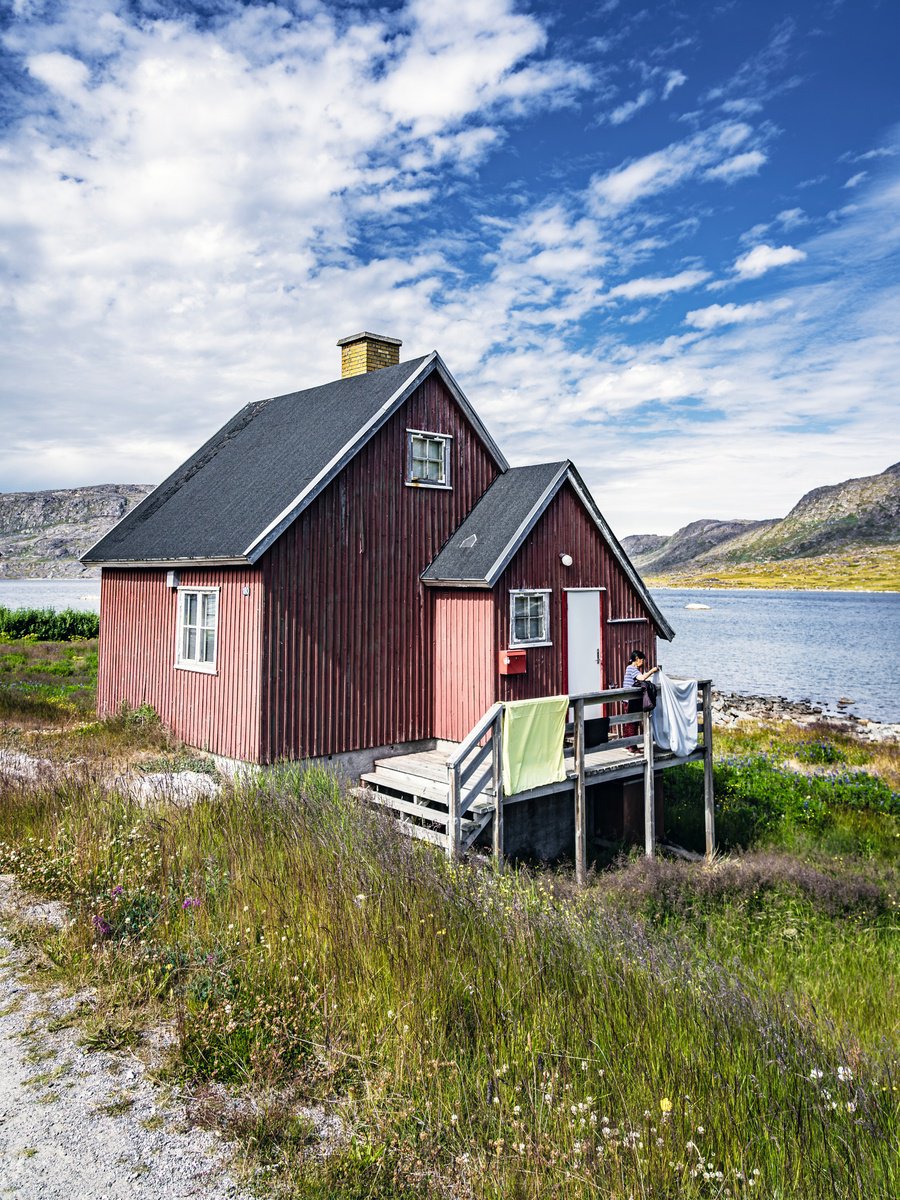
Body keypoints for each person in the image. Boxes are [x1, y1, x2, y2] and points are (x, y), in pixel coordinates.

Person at [622, 649, 660, 754]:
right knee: (633, 723)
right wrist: (652, 671)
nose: (643, 662)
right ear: (637, 659)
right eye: (642, 660)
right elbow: (642, 678)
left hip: (628, 700)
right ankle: (632, 747)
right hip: (630, 700)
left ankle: (627, 744)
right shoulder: (632, 668)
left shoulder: (630, 669)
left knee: (629, 722)